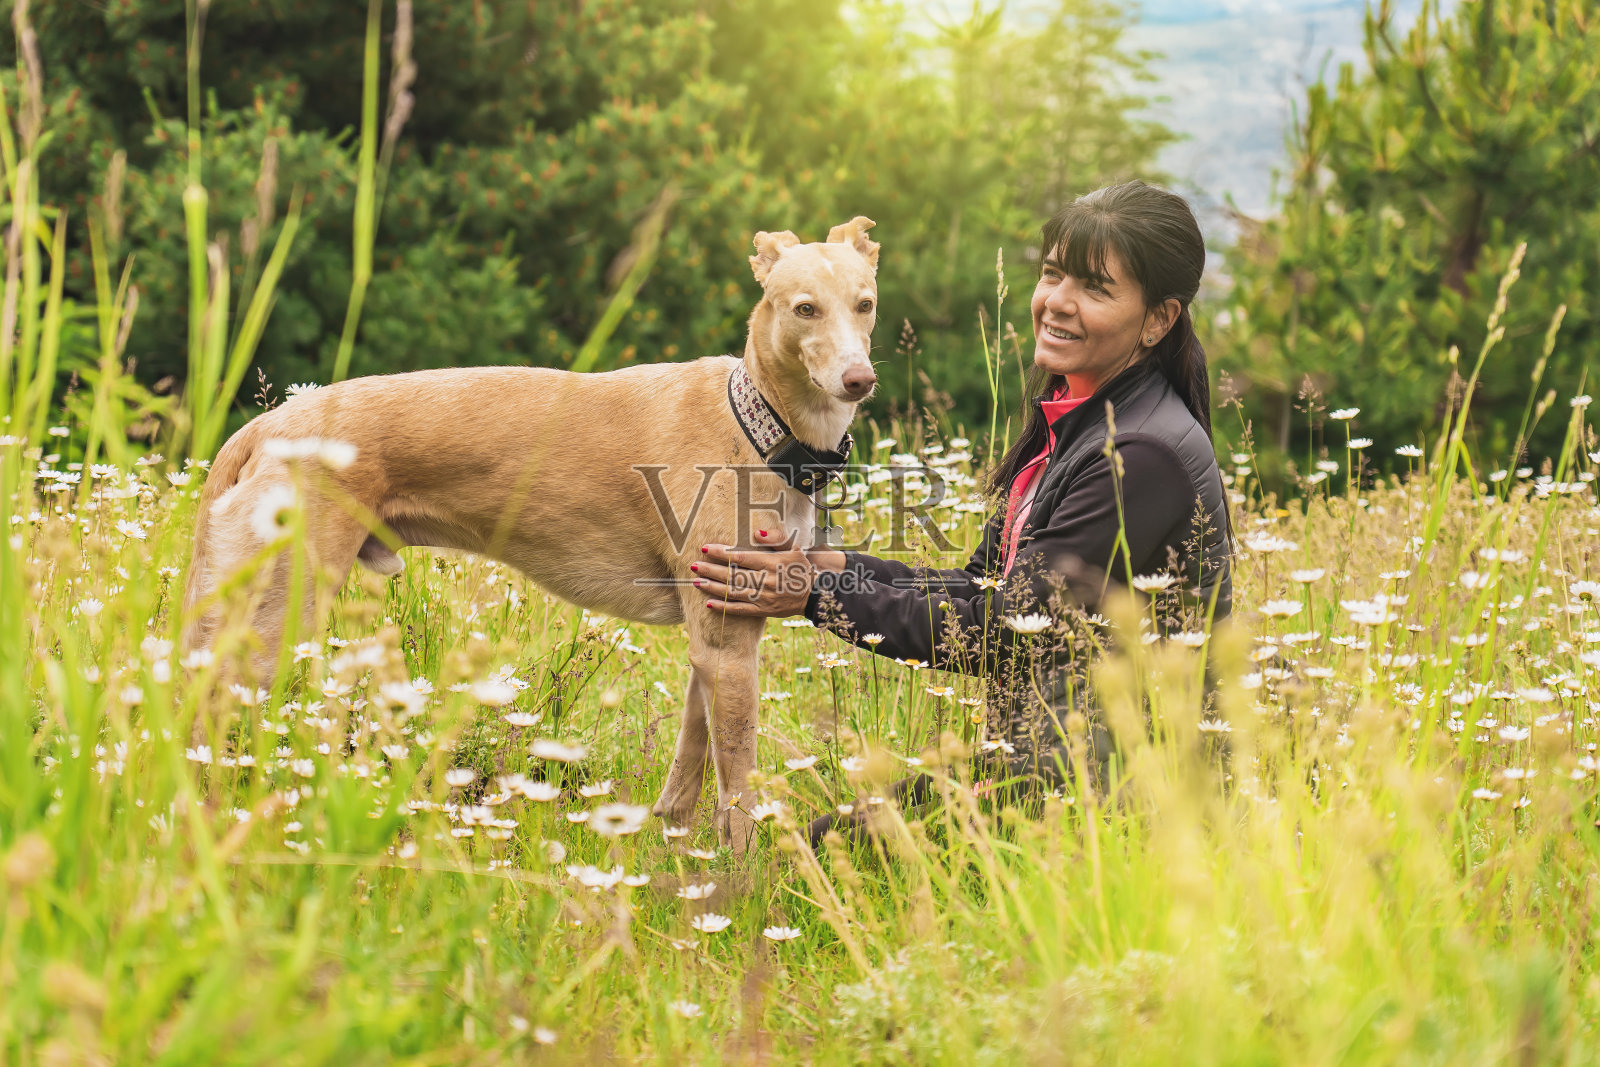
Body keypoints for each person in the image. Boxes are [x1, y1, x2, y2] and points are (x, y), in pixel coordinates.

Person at [691, 180, 1233, 837]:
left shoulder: (1140, 456)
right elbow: (985, 586)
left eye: (1095, 287)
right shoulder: (1081, 421)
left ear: (1158, 318)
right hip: (1053, 761)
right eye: (1054, 273)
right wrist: (834, 564)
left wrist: (815, 592)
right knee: (826, 836)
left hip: (1123, 792)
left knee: (824, 858)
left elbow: (1002, 629)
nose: (1057, 302)